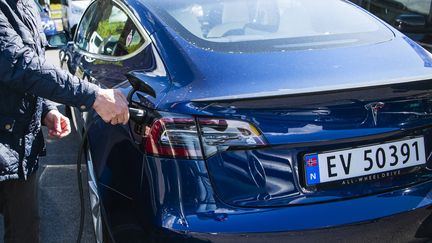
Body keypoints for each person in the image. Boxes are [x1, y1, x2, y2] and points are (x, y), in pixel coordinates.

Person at [0, 0, 130, 241]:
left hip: (18, 149)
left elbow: (33, 62)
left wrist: (46, 110)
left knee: (24, 232)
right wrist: (94, 96)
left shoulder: (26, 4)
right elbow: (17, 64)